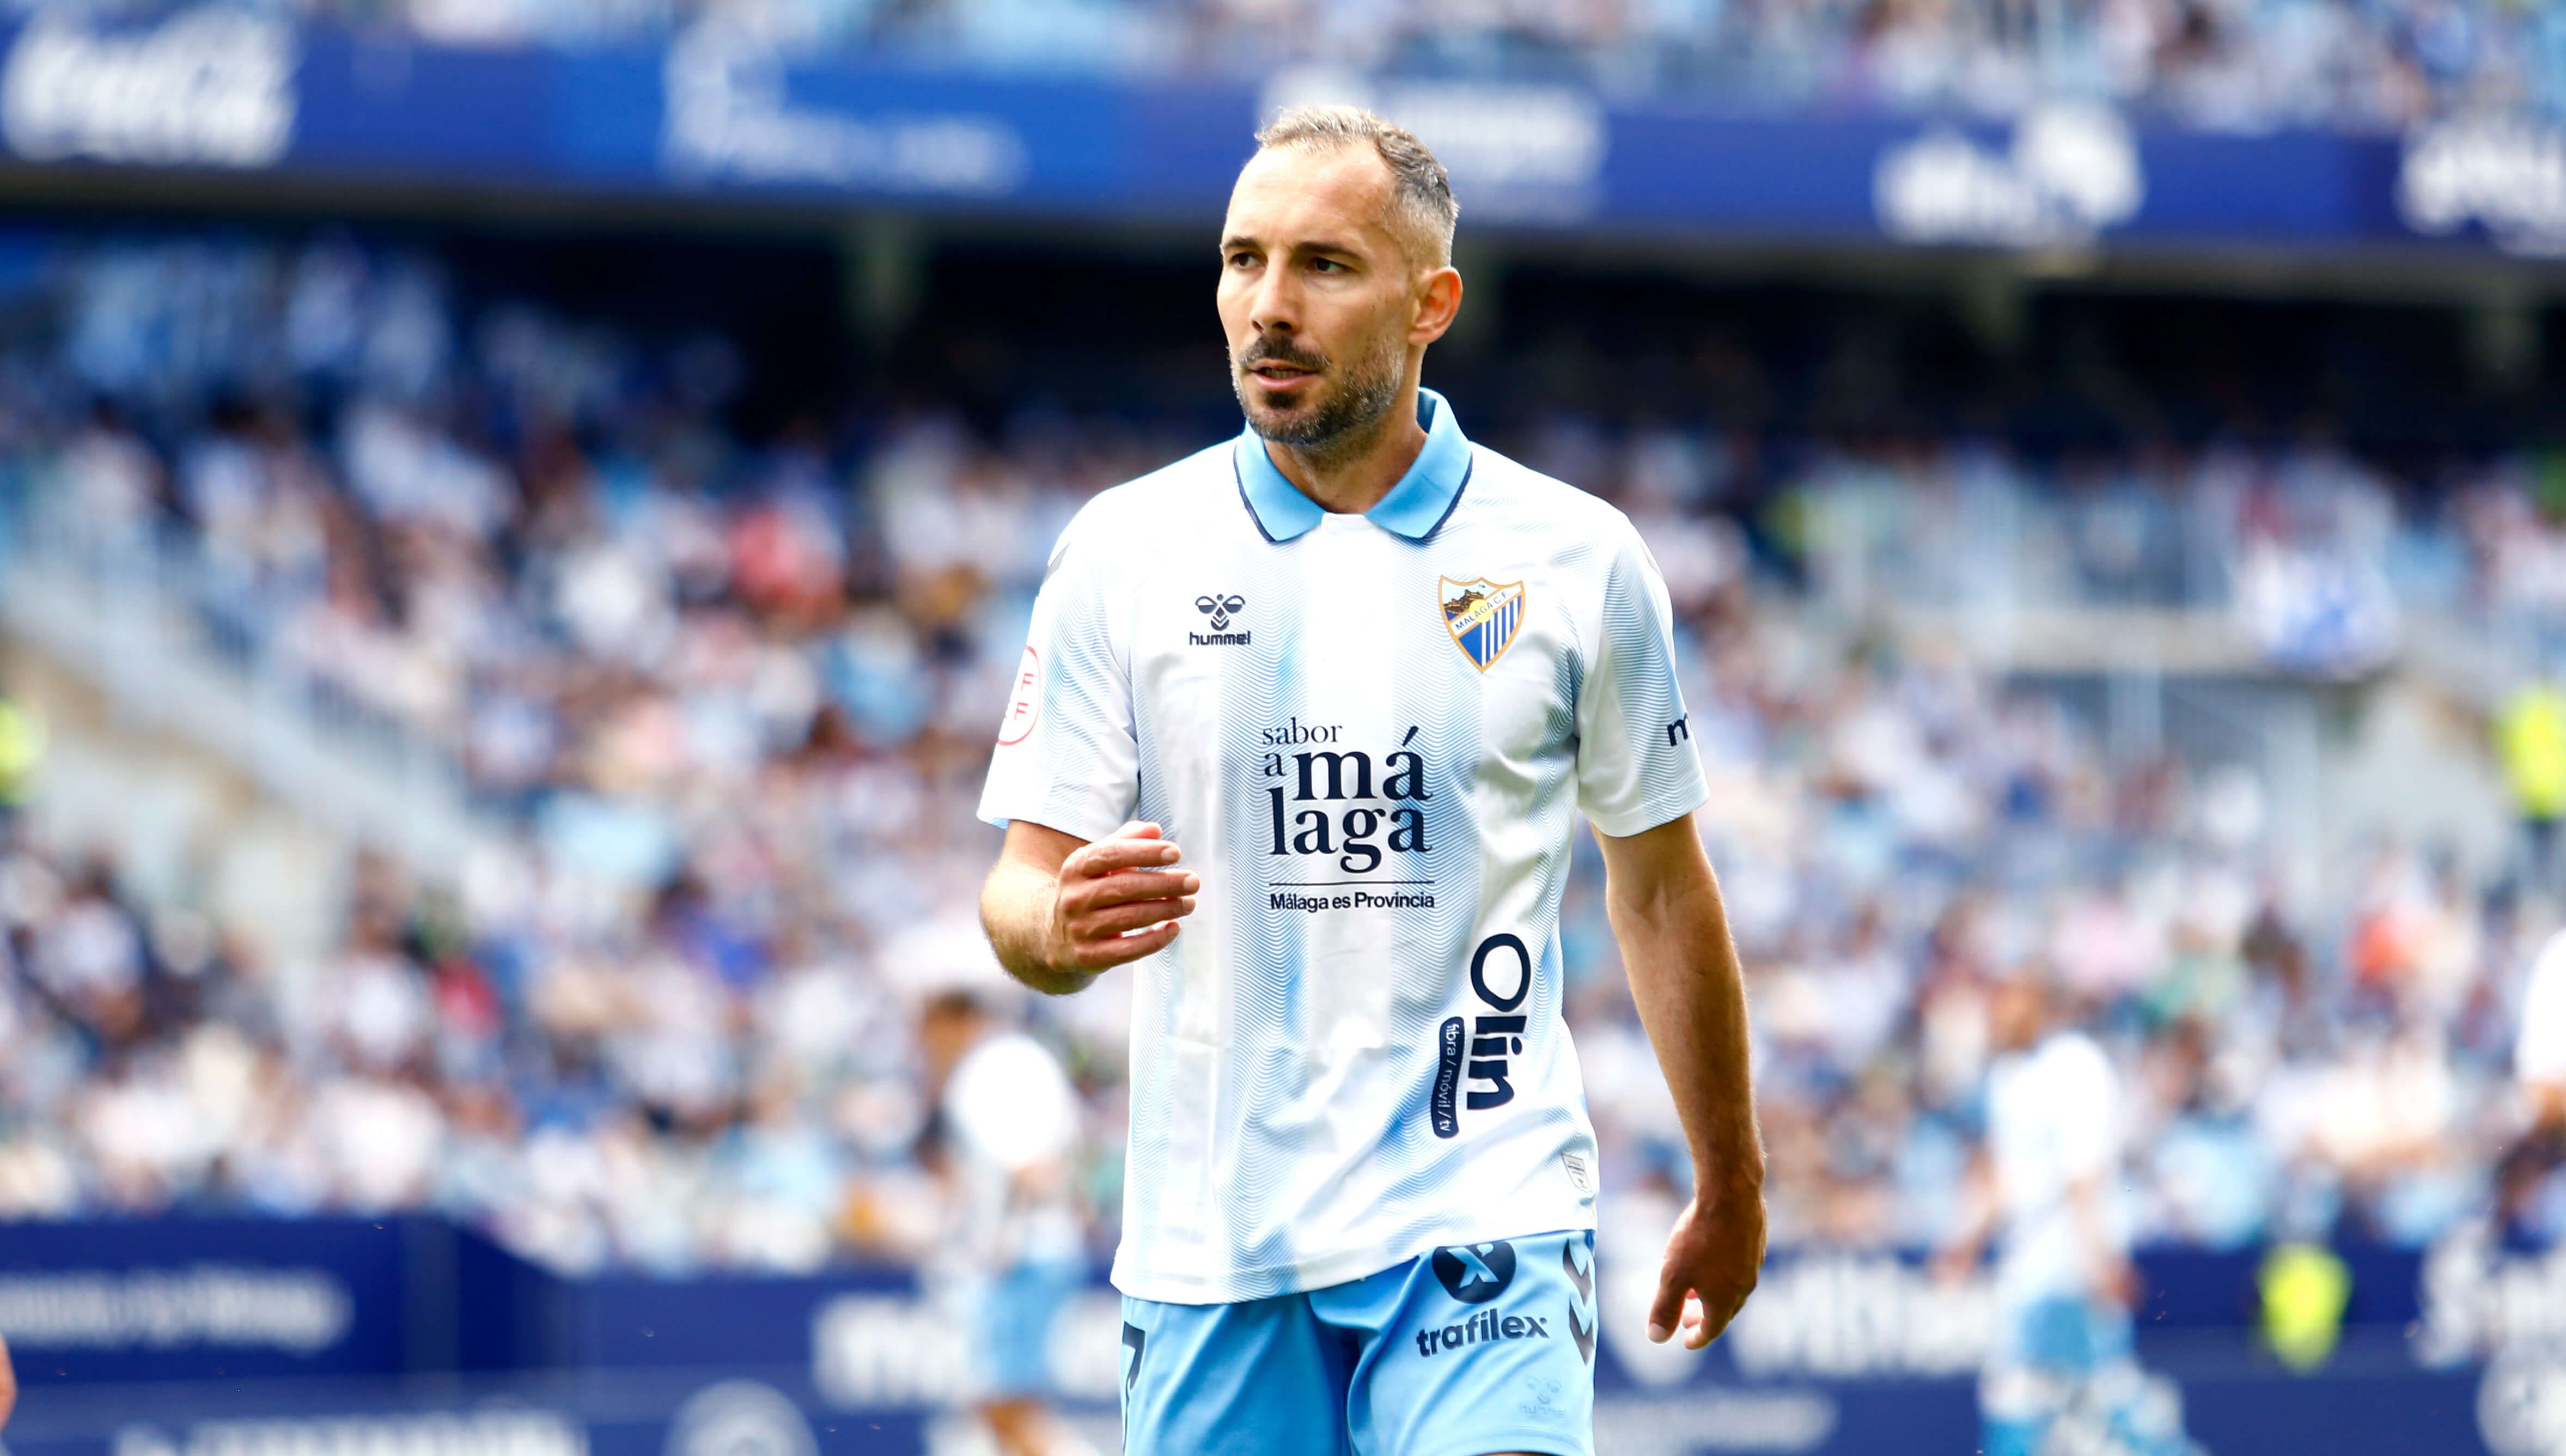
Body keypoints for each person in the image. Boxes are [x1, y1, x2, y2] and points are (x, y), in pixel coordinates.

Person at [976, 104, 1764, 1456]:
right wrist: (1051, 925)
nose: (1268, 306)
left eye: (1324, 265)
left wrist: (1731, 1175)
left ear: (1430, 303)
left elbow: (1658, 888)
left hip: (1485, 1207)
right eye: (1243, 260)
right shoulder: (1124, 549)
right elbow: (1017, 886)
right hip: (1214, 1243)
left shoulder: (1577, 557)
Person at [1936, 976, 2196, 1456]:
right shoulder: (2008, 1075)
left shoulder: (2075, 1064)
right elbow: (2004, 1177)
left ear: (2037, 1003)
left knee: (2099, 1391)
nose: (1996, 1018)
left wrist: (2097, 1261)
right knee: (2040, 1390)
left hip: (2066, 1267)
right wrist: (1964, 1245)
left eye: (2007, 1004)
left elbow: (2084, 1175)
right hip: (2028, 1267)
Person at [916, 986, 1098, 1456]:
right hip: (1053, 1244)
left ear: (950, 1022)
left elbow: (1029, 1168)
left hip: (1021, 1255)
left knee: (1003, 1407)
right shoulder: (1033, 1056)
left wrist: (1002, 1241)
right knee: (1010, 1407)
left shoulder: (981, 1072)